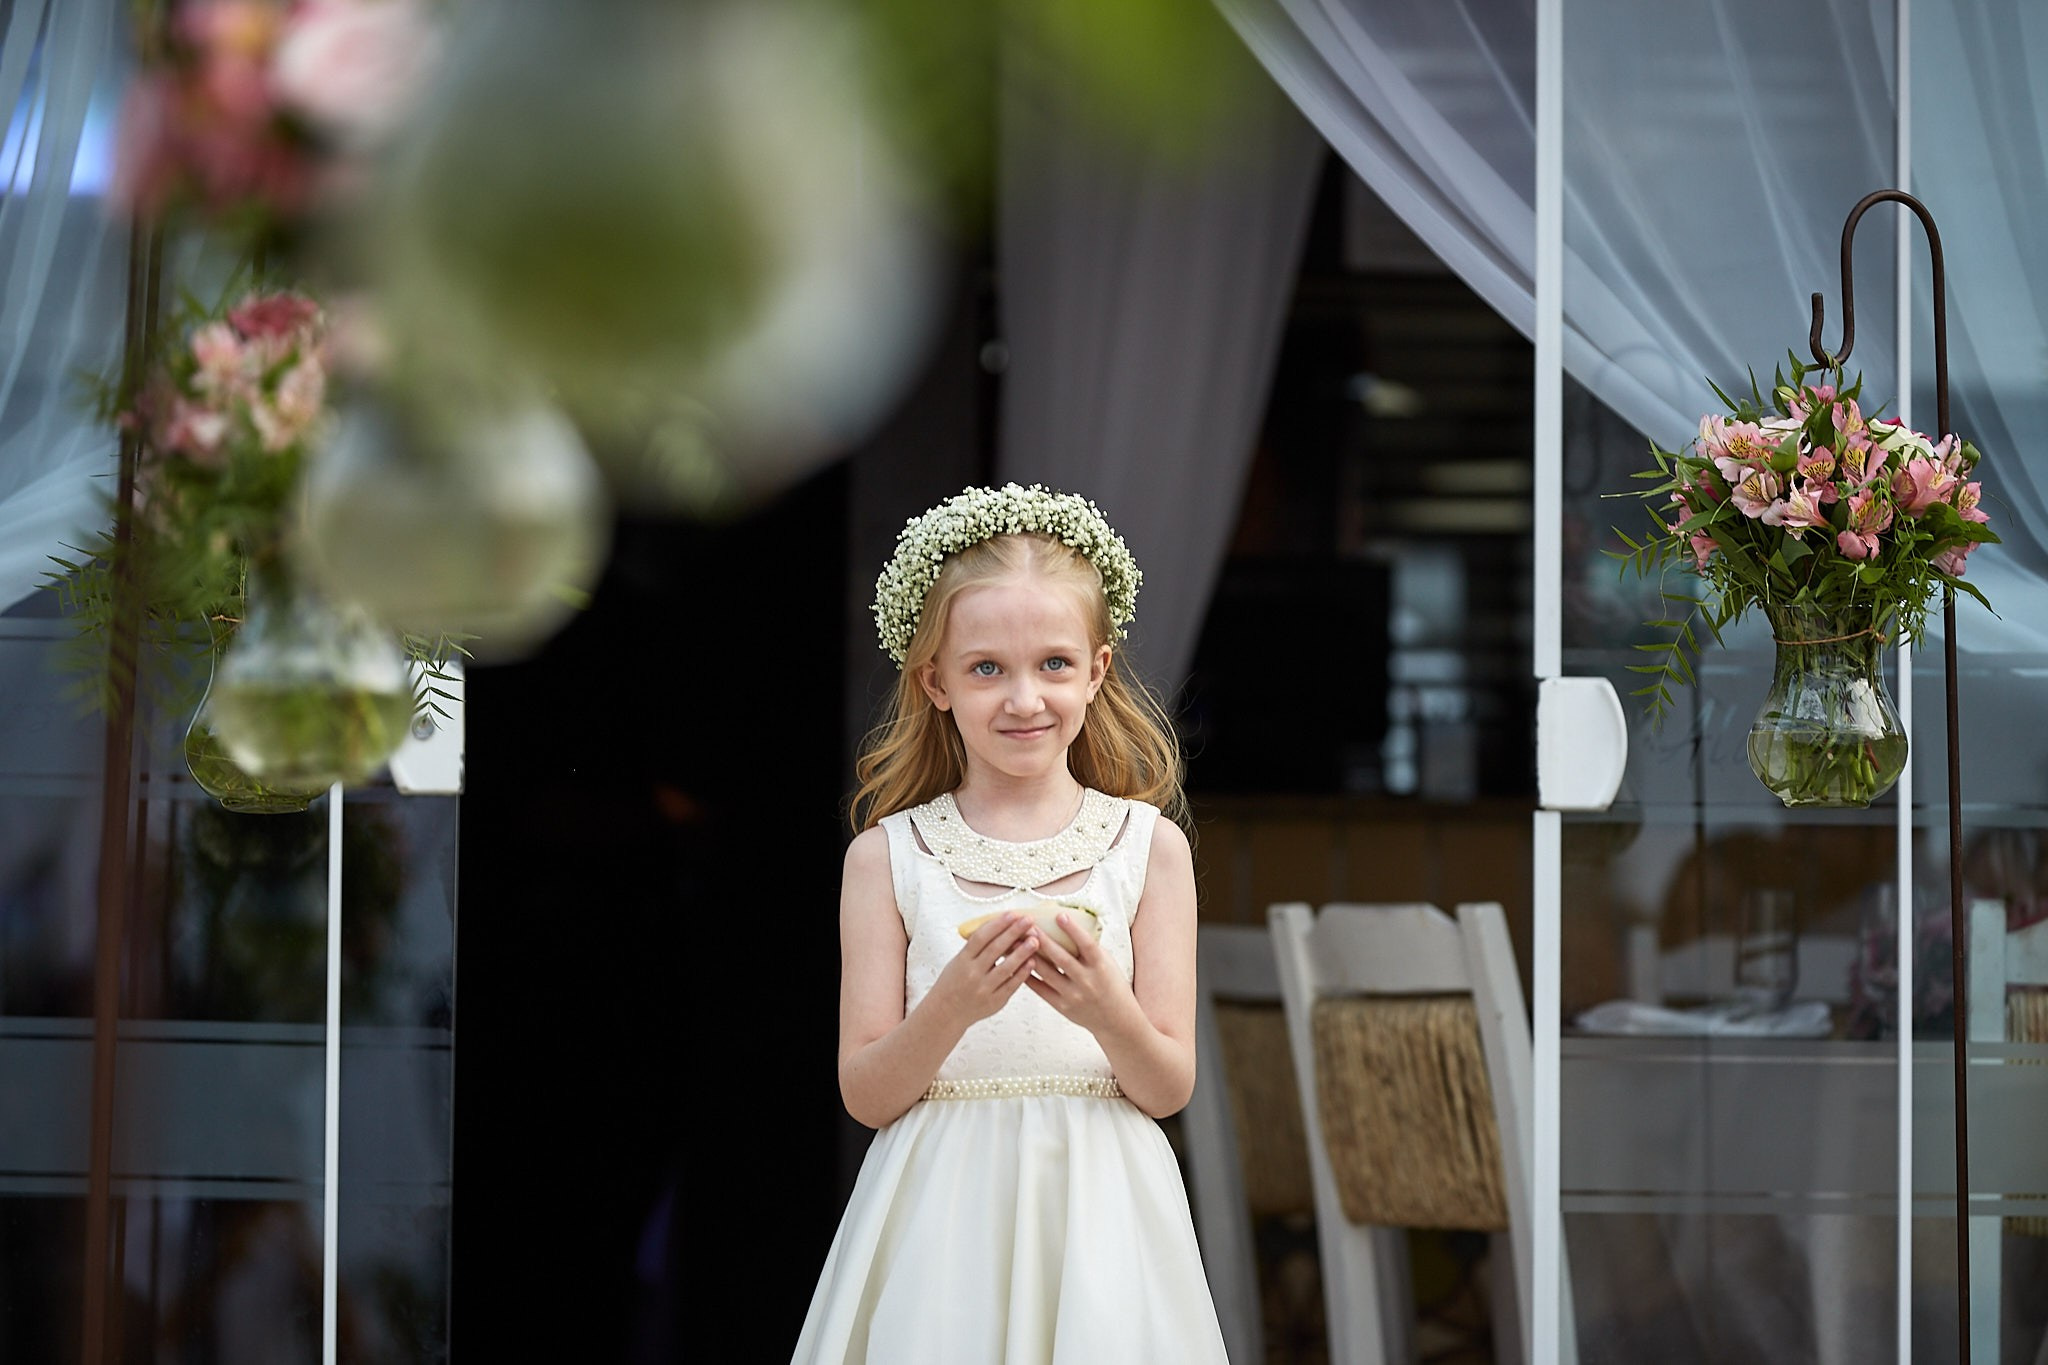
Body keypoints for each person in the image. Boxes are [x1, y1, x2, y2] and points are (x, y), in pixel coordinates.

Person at [793, 484, 1227, 1363]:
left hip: (1103, 1210)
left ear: (1097, 671)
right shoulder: (887, 858)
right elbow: (865, 1093)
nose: (1024, 697)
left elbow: (1168, 1086)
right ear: (936, 681)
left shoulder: (1149, 849)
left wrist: (1105, 1007)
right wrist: (953, 1004)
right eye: (987, 668)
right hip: (940, 1217)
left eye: (1054, 664)